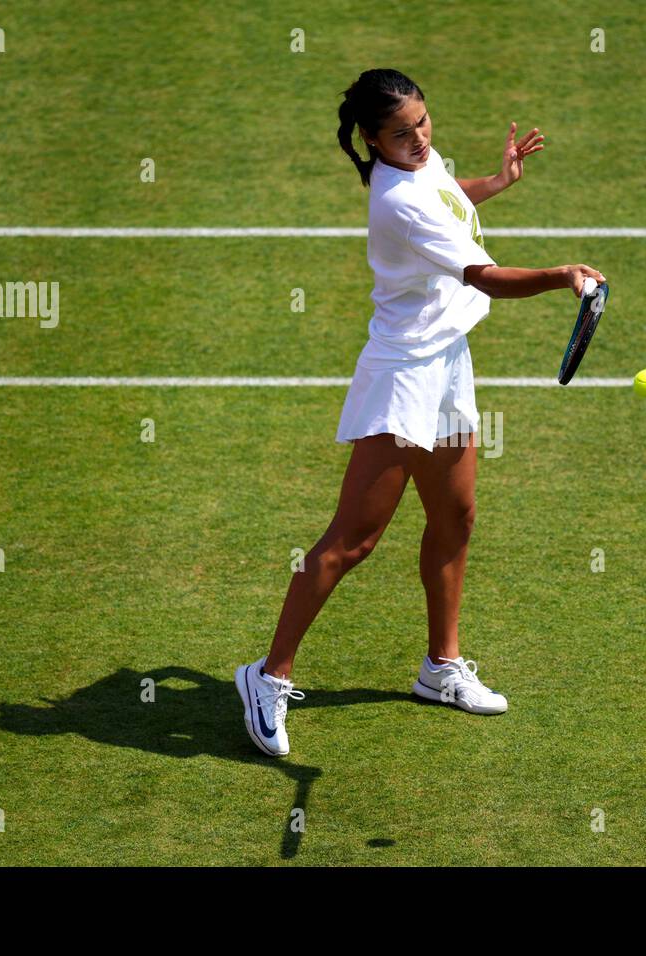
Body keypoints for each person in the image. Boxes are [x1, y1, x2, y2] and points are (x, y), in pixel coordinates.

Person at [234, 68, 605, 757]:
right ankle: (266, 676)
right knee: (353, 540)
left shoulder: (419, 167)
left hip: (445, 363)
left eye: (424, 123)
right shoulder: (397, 199)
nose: (419, 138)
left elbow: (446, 199)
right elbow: (484, 275)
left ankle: (440, 668)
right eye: (402, 133)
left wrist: (495, 185)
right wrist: (561, 276)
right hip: (403, 376)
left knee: (455, 517)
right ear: (372, 140)